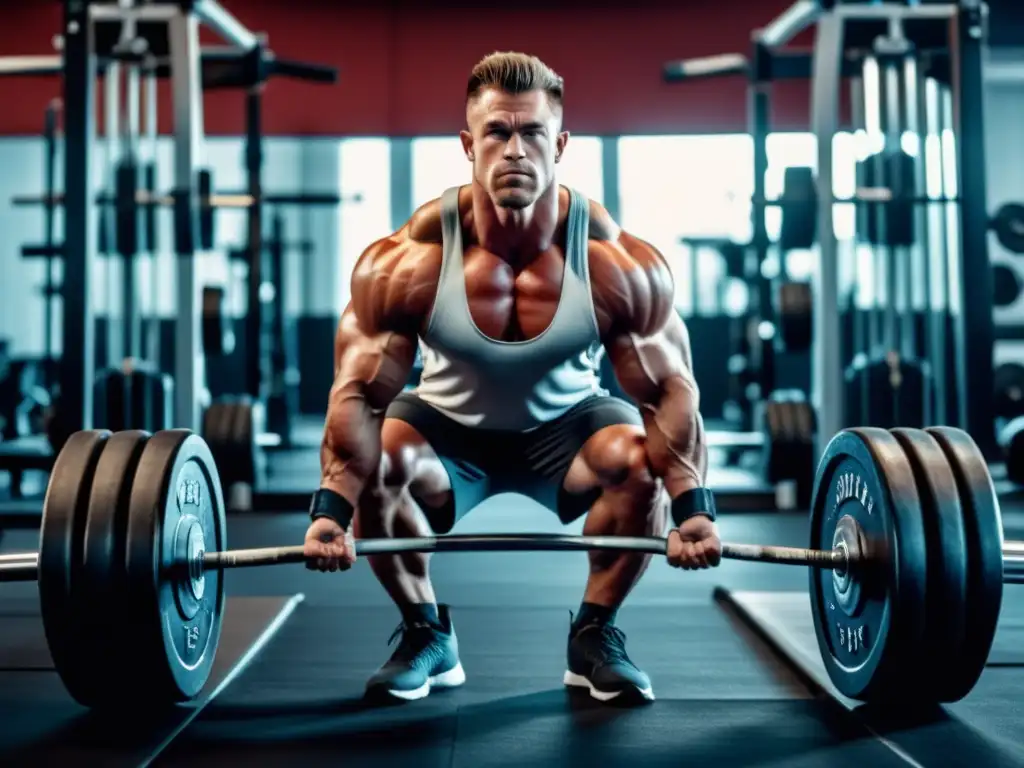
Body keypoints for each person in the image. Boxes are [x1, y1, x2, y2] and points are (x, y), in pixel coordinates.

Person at [302, 51, 722, 706]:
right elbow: (357, 391)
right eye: (497, 133)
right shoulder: (408, 261)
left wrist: (693, 509)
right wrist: (331, 510)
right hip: (448, 428)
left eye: (531, 134)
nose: (515, 150)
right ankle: (424, 633)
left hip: (571, 427)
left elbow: (668, 390)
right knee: (380, 461)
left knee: (639, 465)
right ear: (468, 145)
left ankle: (595, 634)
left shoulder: (615, 262)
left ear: (560, 145)